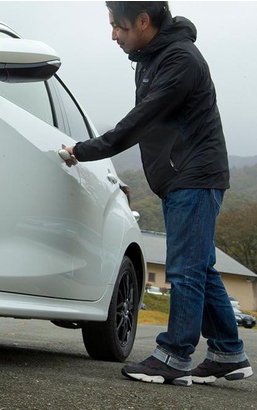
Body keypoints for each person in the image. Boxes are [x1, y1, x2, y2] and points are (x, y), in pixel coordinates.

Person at [63, 1, 253, 386]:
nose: (113, 34)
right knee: (200, 266)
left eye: (118, 26)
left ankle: (174, 355)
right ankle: (227, 352)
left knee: (184, 270)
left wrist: (84, 151)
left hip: (194, 176)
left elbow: (140, 121)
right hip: (180, 177)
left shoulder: (179, 60)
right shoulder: (152, 57)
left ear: (144, 22)